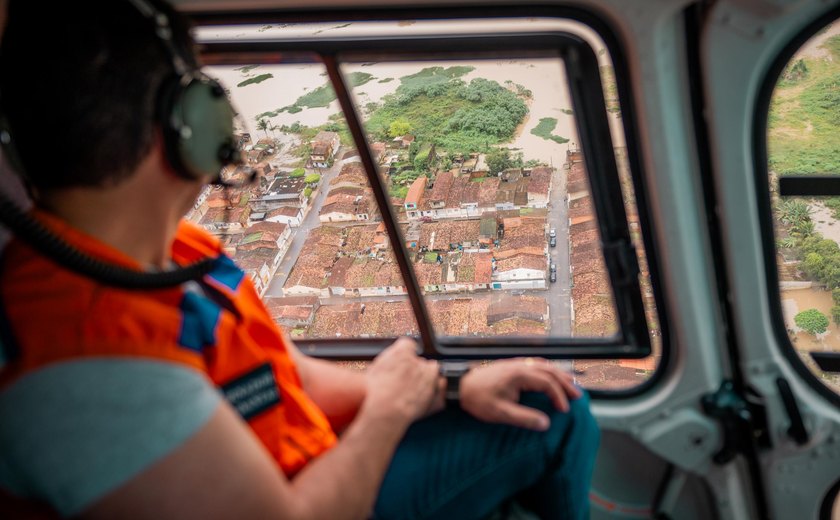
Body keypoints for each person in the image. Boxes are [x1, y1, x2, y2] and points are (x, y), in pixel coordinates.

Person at [0, 1, 599, 519]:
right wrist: (388, 412)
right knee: (564, 420)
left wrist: (452, 387)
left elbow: (291, 375)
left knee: (548, 396)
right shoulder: (85, 364)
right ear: (191, 126)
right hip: (317, 497)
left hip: (313, 459)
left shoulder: (175, 254)